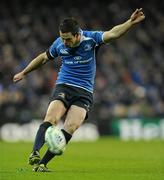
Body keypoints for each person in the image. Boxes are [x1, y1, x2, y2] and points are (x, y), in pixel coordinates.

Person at [13, 8, 145, 172]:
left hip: (84, 92)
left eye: (67, 39)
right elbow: (43, 57)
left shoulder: (91, 38)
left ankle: (42, 164)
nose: (64, 42)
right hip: (64, 85)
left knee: (71, 127)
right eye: (62, 38)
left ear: (77, 35)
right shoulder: (59, 43)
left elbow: (113, 34)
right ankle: (34, 153)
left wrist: (130, 22)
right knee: (52, 118)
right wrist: (24, 72)